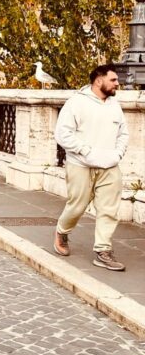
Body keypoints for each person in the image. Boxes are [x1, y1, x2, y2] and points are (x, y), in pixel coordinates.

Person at [54, 63, 129, 271]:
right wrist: (85, 151)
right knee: (77, 206)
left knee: (109, 210)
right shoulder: (76, 103)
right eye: (113, 80)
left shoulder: (114, 104)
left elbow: (123, 133)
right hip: (81, 165)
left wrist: (117, 154)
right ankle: (62, 231)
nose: (117, 84)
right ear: (98, 80)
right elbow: (62, 134)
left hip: (110, 166)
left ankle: (103, 251)